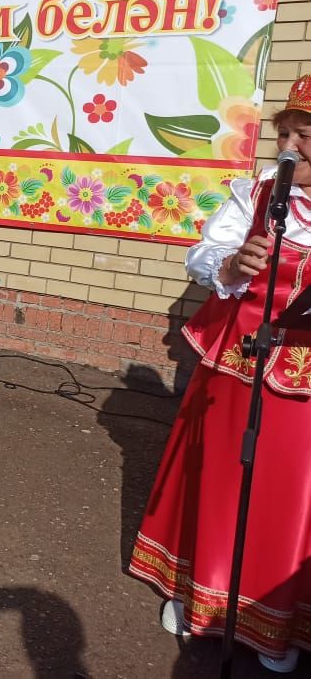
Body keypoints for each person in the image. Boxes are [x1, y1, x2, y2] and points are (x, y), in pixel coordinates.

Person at [128, 75, 311, 674]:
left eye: (303, 134)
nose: (290, 145)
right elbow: (204, 259)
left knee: (288, 496)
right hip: (239, 362)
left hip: (304, 375)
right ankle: (195, 595)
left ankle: (275, 623)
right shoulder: (258, 194)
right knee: (218, 478)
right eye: (284, 133)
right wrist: (233, 262)